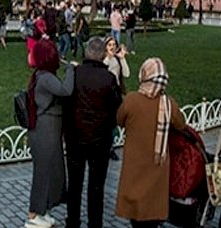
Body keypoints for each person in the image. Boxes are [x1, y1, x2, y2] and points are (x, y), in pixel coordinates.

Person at [115, 58, 186, 228]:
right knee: (153, 208)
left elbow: (119, 119)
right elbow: (181, 124)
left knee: (136, 208)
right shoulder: (168, 104)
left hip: (135, 164)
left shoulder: (131, 100)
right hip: (157, 164)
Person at [63, 37, 122, 228]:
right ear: (103, 55)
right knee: (96, 186)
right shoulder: (109, 78)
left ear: (87, 53)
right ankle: (94, 223)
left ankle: (73, 221)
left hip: (75, 138)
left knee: (75, 184)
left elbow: (65, 102)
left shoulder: (75, 73)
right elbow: (116, 108)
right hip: (99, 139)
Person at [25, 38, 73, 228]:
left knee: (49, 171)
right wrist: (70, 69)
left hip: (46, 129)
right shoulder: (46, 78)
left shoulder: (41, 75)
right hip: (45, 130)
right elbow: (66, 91)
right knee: (43, 173)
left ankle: (41, 211)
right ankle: (33, 214)